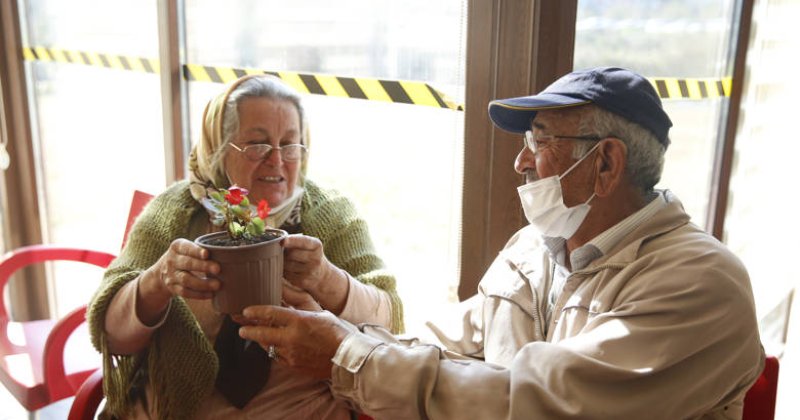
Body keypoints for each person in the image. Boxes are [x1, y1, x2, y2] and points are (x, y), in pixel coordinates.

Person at [237, 67, 765, 419]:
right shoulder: (533, 249)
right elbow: (443, 344)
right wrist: (337, 325)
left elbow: (540, 403)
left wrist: (343, 354)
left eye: (540, 141)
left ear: (605, 162)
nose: (521, 161)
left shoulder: (701, 284)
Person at [87, 74, 403, 419]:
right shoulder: (175, 212)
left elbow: (391, 320)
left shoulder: (332, 216)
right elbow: (110, 335)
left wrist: (328, 280)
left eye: (290, 144)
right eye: (258, 145)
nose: (277, 160)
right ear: (219, 149)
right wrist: (157, 281)